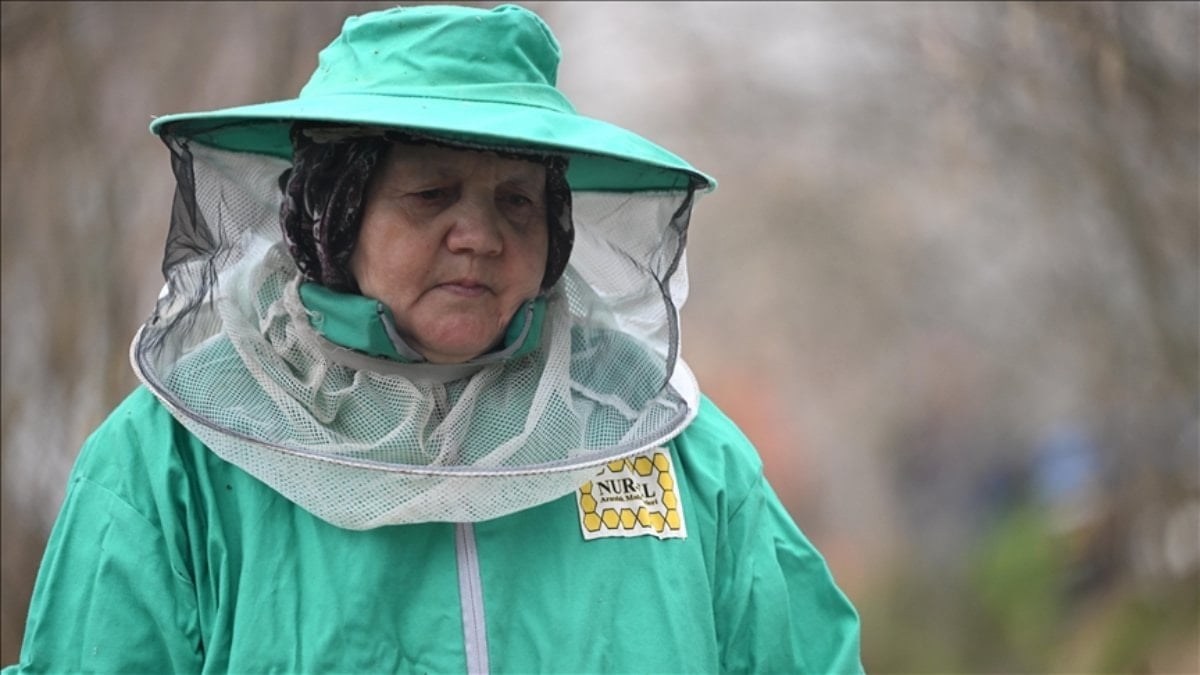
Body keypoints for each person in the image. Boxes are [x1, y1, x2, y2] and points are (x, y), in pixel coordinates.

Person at [5, 4, 862, 673]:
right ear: (332, 216)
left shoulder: (673, 449)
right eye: (431, 195)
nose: (479, 236)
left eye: (515, 201)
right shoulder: (172, 463)